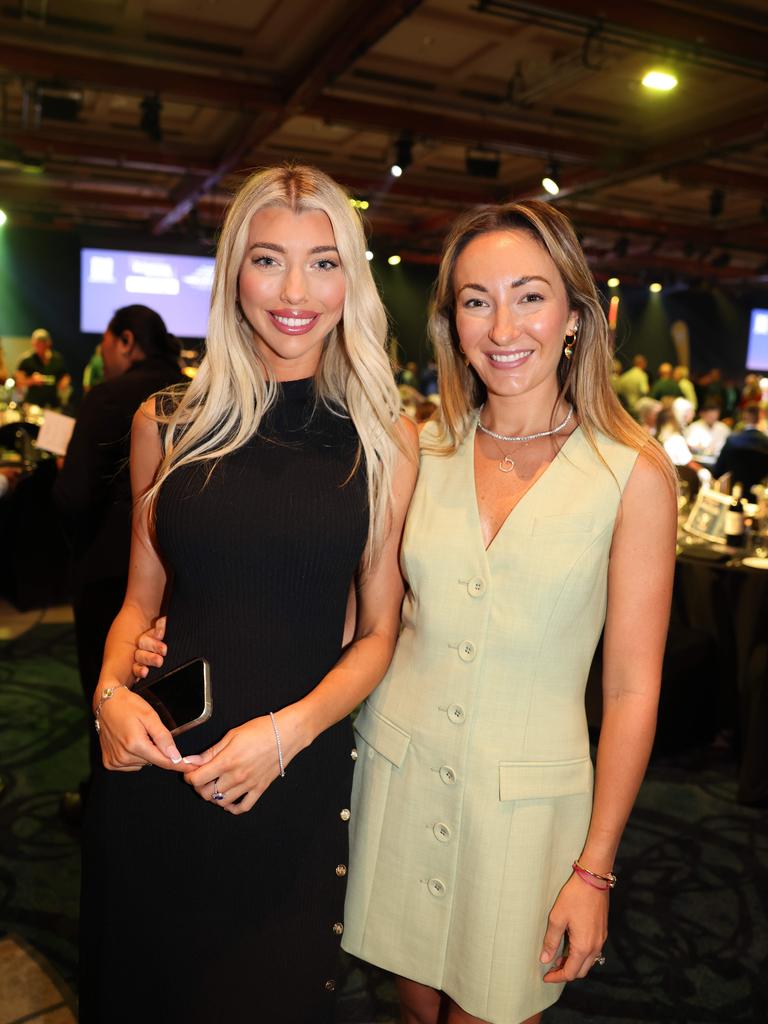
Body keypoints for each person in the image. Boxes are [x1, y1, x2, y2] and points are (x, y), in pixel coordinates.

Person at [79, 164, 417, 1024]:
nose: (295, 291)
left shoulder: (385, 439)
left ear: (354, 278)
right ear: (234, 272)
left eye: (324, 261)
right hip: (162, 766)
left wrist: (287, 734)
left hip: (292, 777)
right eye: (269, 260)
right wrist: (110, 694)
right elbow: (137, 601)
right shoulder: (167, 421)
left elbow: (380, 631)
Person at [341, 201, 677, 1024]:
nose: (502, 326)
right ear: (452, 321)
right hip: (399, 774)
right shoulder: (422, 447)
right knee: (418, 1012)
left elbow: (632, 691)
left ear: (573, 313)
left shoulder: (632, 473)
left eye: (529, 295)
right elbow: (360, 623)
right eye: (475, 300)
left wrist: (594, 869)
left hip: (529, 814)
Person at [53, 305, 186, 792]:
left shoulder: (112, 398)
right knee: (171, 694)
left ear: (126, 341)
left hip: (107, 572)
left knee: (106, 692)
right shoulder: (192, 397)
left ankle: (105, 791)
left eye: (106, 344)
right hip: (181, 577)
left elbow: (73, 495)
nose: (103, 355)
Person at [711, 404, 768, 494]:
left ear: (744, 418)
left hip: (732, 493)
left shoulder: (732, 440)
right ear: (761, 418)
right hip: (757, 494)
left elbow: (718, 470)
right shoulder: (765, 442)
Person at [14, 328, 69, 407]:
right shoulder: (26, 360)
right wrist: (31, 380)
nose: (40, 346)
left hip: (53, 404)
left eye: (43, 342)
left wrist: (64, 383)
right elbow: (18, 382)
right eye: (38, 343)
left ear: (48, 343)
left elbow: (65, 376)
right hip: (33, 404)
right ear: (33, 343)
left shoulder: (57, 359)